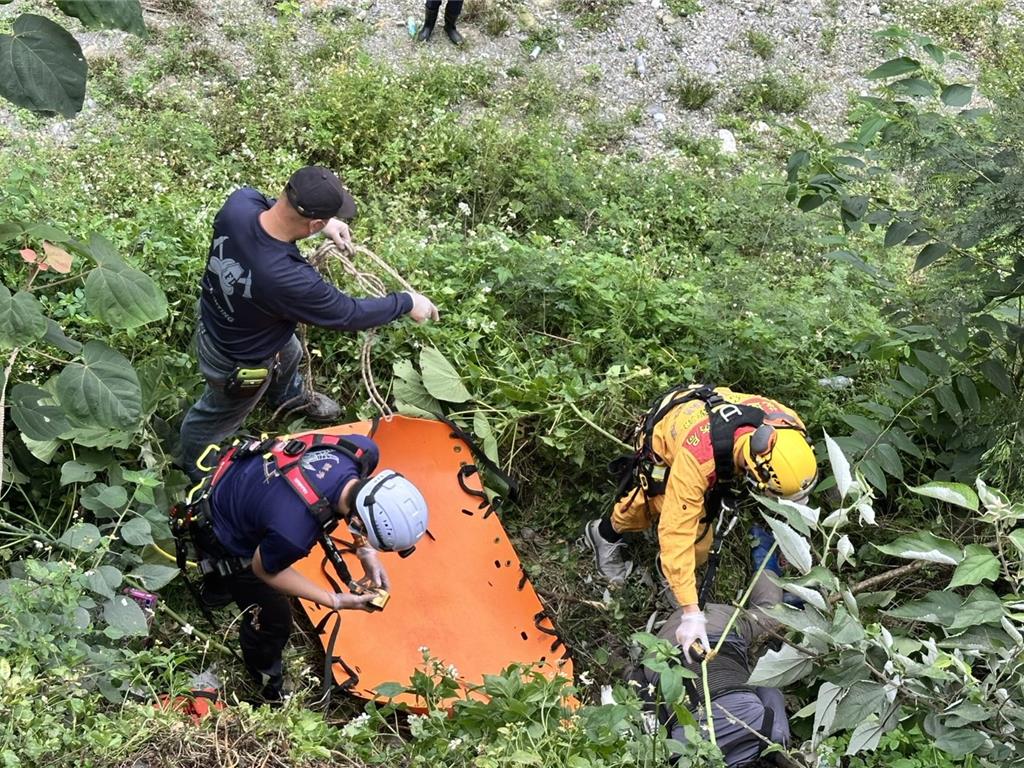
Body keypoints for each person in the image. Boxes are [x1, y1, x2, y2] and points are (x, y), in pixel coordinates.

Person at [178, 166, 439, 480]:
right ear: (314, 221)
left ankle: (289, 397)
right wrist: (408, 302)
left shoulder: (240, 203)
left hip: (219, 316)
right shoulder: (288, 280)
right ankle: (195, 464)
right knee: (218, 414)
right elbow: (349, 313)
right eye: (322, 222)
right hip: (237, 359)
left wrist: (322, 227)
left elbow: (272, 209)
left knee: (290, 353)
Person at [178, 431, 429, 701]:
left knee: (256, 541)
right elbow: (265, 570)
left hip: (239, 477)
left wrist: (366, 552)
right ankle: (267, 684)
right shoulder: (292, 534)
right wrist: (335, 600)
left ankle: (218, 588)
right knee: (274, 619)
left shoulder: (359, 451)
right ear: (358, 522)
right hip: (219, 528)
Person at [584, 384, 817, 659]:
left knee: (700, 541)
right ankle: (605, 534)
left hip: (707, 423)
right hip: (668, 433)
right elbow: (675, 532)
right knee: (650, 504)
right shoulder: (698, 459)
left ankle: (669, 571)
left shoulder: (787, 424)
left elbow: (792, 486)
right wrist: (691, 612)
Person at [631, 526, 793, 767]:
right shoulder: (684, 759)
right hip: (660, 650)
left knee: (771, 614)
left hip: (716, 630)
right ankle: (676, 591)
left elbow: (770, 688)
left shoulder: (773, 735)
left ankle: (763, 546)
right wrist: (630, 666)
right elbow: (649, 708)